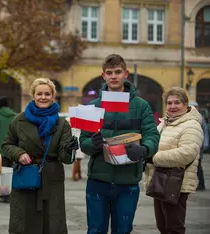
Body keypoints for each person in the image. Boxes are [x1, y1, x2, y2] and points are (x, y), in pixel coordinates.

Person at [79, 54, 160, 234]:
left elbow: (153, 136)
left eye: (117, 72)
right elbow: (83, 142)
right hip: (98, 181)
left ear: (126, 74)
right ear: (103, 75)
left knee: (123, 230)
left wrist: (144, 149)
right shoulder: (92, 106)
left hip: (128, 182)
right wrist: (92, 143)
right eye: (109, 73)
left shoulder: (141, 106)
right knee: (95, 230)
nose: (113, 76)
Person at [2, 77, 79, 234]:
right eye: (39, 94)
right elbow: (6, 145)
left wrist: (70, 149)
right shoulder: (19, 120)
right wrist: (19, 153)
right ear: (33, 95)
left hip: (52, 179)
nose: (43, 97)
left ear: (53, 96)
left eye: (47, 94)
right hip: (25, 176)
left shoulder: (62, 124)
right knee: (24, 223)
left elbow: (64, 158)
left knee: (53, 224)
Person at [144, 87, 203, 234]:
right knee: (163, 226)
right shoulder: (164, 124)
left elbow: (186, 153)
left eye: (177, 102)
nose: (173, 106)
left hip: (177, 183)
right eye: (169, 103)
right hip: (160, 179)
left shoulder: (192, 124)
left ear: (185, 104)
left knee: (174, 228)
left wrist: (153, 158)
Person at [188, 101, 209, 190]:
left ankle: (201, 184)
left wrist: (205, 144)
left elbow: (205, 132)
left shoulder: (200, 118)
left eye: (196, 107)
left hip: (198, 146)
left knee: (198, 165)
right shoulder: (187, 118)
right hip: (189, 145)